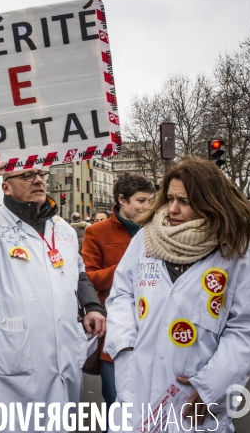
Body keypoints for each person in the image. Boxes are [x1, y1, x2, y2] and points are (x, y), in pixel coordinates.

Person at [0, 151, 106, 433]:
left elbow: (79, 272)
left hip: (63, 353)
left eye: (41, 175)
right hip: (14, 357)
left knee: (61, 422)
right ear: (6, 186)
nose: (38, 180)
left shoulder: (63, 229)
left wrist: (92, 306)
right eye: (27, 175)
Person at [105, 158, 250, 431]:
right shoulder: (146, 239)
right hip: (138, 382)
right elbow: (122, 294)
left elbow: (246, 327)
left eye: (184, 201)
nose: (172, 209)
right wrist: (126, 348)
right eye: (170, 198)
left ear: (210, 202)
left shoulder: (237, 252)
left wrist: (212, 386)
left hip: (194, 396)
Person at [82, 172, 155, 430]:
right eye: (141, 200)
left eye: (150, 200)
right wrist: (124, 270)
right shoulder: (96, 232)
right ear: (122, 200)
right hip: (114, 335)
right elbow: (87, 278)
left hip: (153, 331)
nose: (147, 207)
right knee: (117, 406)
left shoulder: (157, 229)